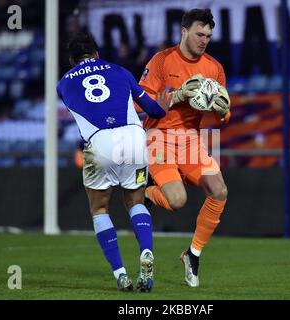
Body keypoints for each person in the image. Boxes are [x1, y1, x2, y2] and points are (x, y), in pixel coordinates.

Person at [56, 32, 171, 292]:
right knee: (136, 201)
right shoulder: (120, 70)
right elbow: (153, 110)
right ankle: (146, 253)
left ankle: (120, 273)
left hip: (99, 141)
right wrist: (164, 105)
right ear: (97, 54)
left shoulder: (63, 84)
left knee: (99, 209)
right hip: (133, 136)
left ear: (73, 60)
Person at [138, 8, 231, 287]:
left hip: (191, 140)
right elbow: (139, 102)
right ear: (184, 31)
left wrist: (223, 110)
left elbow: (224, 113)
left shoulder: (214, 68)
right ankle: (142, 192)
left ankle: (193, 254)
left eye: (209, 35)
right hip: (159, 137)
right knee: (177, 202)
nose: (204, 40)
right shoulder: (162, 60)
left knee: (219, 190)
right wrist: (174, 97)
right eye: (200, 34)